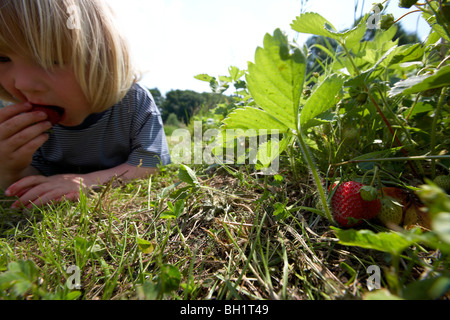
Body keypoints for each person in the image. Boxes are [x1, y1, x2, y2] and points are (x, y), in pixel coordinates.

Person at [0, 0, 171, 209]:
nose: (22, 84)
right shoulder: (16, 121)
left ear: (102, 55)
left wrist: (87, 182)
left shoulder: (133, 102)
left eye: (50, 58)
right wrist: (10, 169)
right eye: (3, 58)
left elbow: (151, 164)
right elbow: (33, 181)